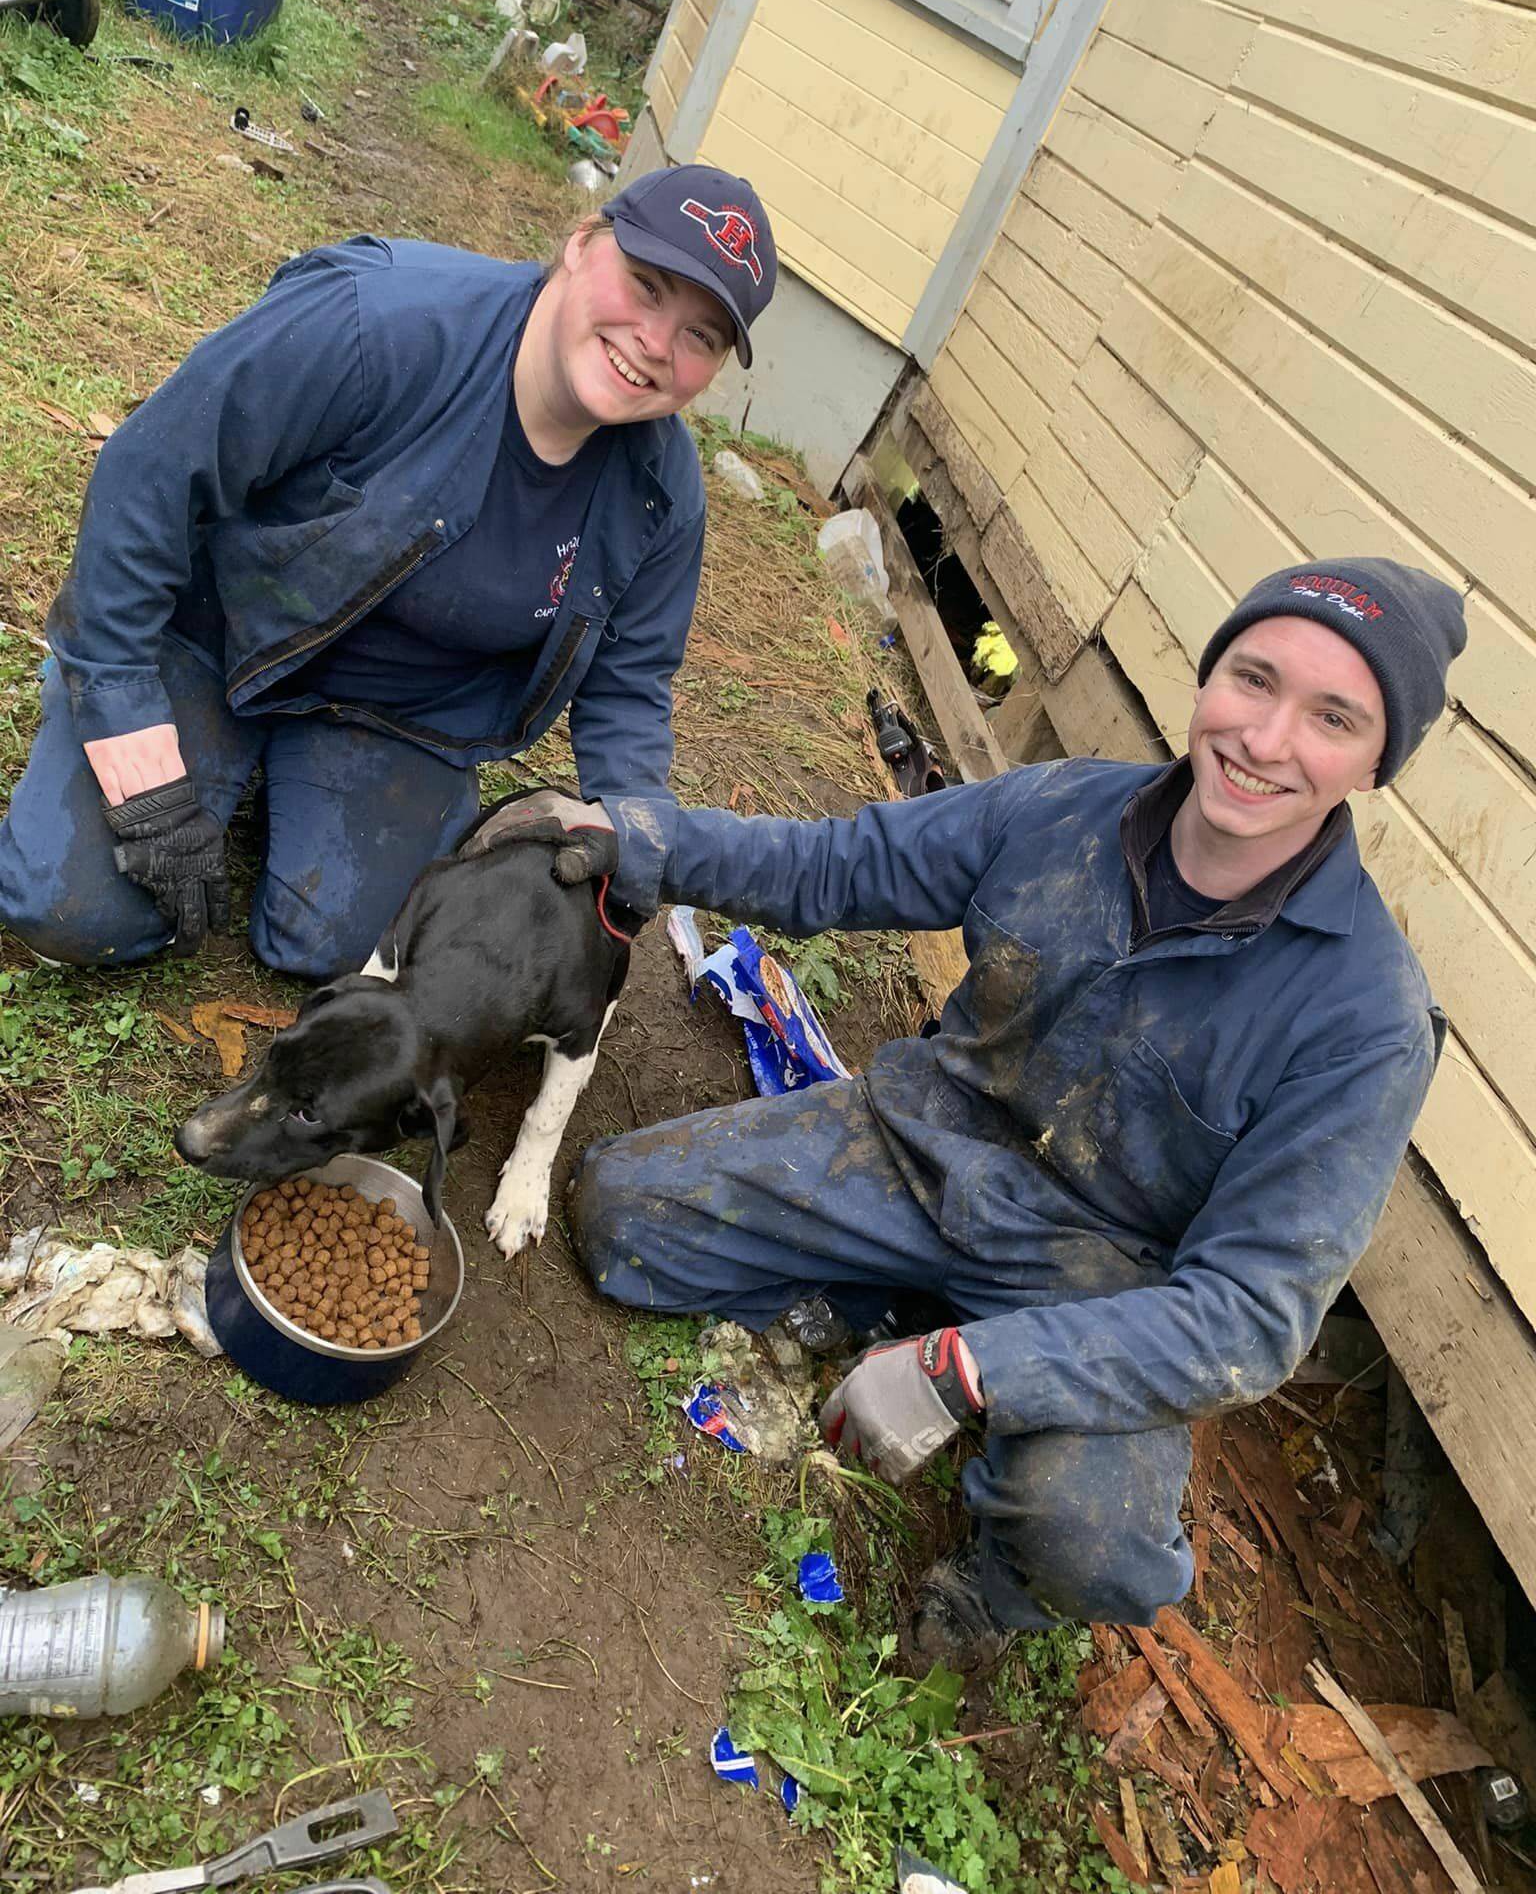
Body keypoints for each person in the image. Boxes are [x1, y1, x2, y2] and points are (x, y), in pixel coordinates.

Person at [482, 558, 1466, 1671]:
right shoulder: (1065, 808)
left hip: (1098, 1279)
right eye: (1254, 677)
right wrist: (636, 836)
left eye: (1332, 717)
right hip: (920, 1148)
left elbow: (1246, 1319)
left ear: (1377, 763)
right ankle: (888, 1289)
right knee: (618, 1214)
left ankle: (993, 1594)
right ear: (1209, 674)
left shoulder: (1366, 1016)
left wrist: (972, 1371)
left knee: (1090, 1539)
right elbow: (837, 867)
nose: (1267, 737)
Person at [0, 166, 777, 977]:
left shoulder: (660, 492)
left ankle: (318, 783)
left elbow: (631, 676)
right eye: (647, 286)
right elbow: (151, 474)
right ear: (581, 246)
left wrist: (633, 813)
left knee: (340, 953)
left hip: (400, 711)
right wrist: (124, 708)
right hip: (219, 632)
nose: (657, 343)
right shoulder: (380, 323)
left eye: (701, 336)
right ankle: (125, 697)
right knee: (71, 912)